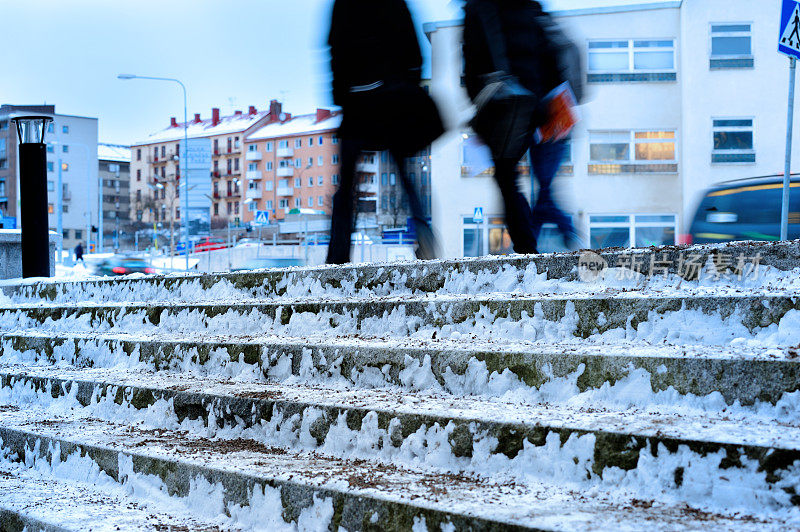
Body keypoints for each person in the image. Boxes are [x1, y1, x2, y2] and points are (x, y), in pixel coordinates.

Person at [327, 0, 444, 264]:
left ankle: (338, 254)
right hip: (391, 99)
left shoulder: (343, 6)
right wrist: (406, 86)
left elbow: (334, 49)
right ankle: (424, 237)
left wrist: (340, 95)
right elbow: (414, 50)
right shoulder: (395, 3)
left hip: (356, 100)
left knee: (346, 185)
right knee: (405, 175)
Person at [463, 0, 576, 254]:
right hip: (534, 103)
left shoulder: (478, 8)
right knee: (533, 182)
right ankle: (539, 241)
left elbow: (471, 60)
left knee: (507, 178)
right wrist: (551, 105)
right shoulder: (530, 7)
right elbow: (550, 56)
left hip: (503, 104)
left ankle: (527, 248)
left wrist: (477, 106)